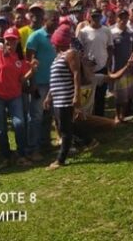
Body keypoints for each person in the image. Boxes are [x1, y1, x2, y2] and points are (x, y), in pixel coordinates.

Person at [0, 27, 38, 167]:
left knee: (19, 123)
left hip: (14, 95)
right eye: (8, 40)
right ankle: (6, 156)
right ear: (4, 41)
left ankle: (21, 154)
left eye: (13, 40)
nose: (10, 43)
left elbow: (22, 79)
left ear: (18, 41)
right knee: (1, 127)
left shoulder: (20, 58)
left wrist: (32, 70)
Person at [44, 25, 81, 170]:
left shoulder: (71, 53)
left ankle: (60, 159)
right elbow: (55, 80)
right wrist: (49, 97)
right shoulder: (58, 57)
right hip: (58, 98)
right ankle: (90, 141)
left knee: (65, 130)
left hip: (66, 97)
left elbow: (76, 74)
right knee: (64, 126)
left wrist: (76, 95)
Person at [25, 10, 58, 160]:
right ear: (45, 20)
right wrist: (32, 82)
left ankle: (46, 144)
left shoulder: (56, 36)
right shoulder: (35, 37)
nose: (56, 22)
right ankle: (34, 149)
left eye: (57, 20)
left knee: (48, 115)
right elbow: (28, 62)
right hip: (39, 83)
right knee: (36, 117)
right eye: (54, 20)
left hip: (53, 82)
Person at [77, 10, 113, 116]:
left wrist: (108, 63)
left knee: (101, 95)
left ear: (101, 17)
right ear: (89, 17)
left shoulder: (106, 30)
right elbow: (79, 49)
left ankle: (99, 116)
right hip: (88, 70)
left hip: (102, 66)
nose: (95, 18)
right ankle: (89, 117)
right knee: (89, 95)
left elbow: (110, 47)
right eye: (93, 16)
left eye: (98, 16)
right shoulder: (83, 32)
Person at [110, 9, 133, 123]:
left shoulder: (131, 33)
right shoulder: (111, 33)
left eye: (125, 18)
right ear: (117, 18)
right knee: (118, 94)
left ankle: (123, 116)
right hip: (117, 69)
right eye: (121, 18)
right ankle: (116, 116)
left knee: (127, 94)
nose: (123, 20)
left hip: (129, 69)